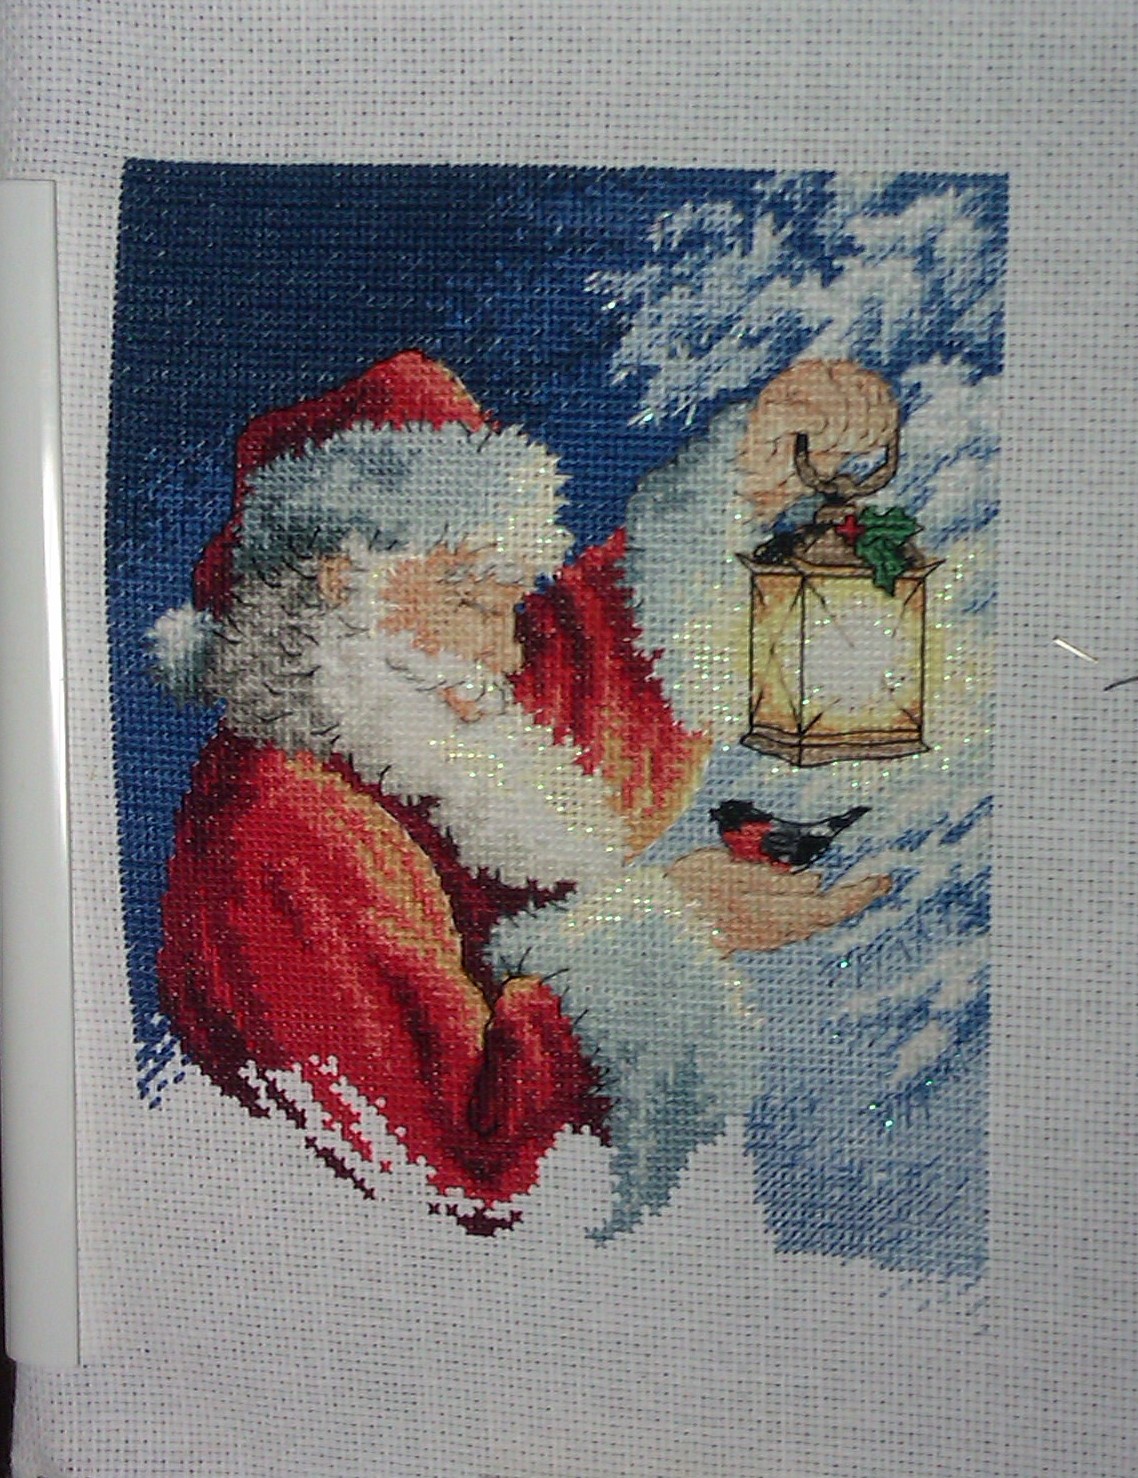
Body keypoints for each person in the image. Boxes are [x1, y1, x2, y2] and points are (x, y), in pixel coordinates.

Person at [151, 350, 889, 1233]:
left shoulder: (402, 719)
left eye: (509, 605)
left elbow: (594, 681)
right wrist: (673, 929)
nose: (505, 654)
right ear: (344, 583)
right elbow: (444, 1171)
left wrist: (752, 476)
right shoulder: (278, 831)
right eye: (474, 603)